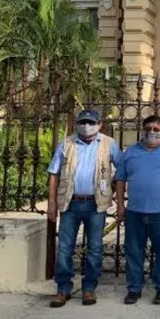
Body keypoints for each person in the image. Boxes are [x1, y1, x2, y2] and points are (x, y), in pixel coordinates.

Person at [47, 108, 122, 308]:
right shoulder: (67, 143)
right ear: (76, 123)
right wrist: (52, 203)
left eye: (91, 122)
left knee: (95, 248)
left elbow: (122, 171)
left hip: (95, 204)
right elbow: (53, 173)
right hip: (70, 203)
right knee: (65, 247)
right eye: (83, 122)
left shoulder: (109, 144)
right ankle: (63, 288)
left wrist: (115, 194)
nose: (86, 126)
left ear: (99, 124)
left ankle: (89, 288)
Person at [115, 115, 160, 306]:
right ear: (143, 131)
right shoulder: (130, 152)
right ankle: (134, 289)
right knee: (134, 251)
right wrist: (120, 205)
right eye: (148, 129)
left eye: (156, 129)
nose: (152, 132)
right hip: (135, 212)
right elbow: (120, 179)